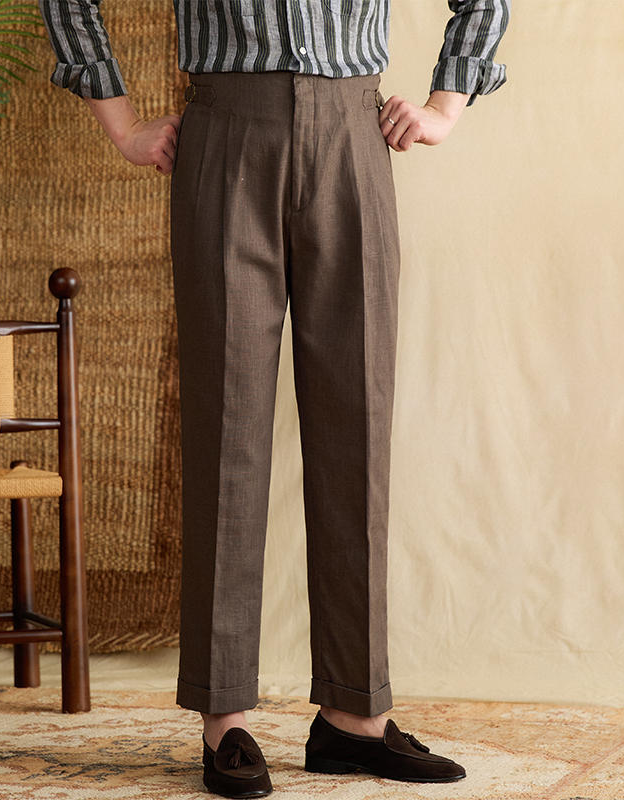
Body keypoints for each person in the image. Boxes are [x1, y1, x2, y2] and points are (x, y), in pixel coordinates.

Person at [38, 1, 509, 796]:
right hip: (226, 134)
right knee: (226, 430)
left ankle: (355, 716)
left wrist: (444, 106)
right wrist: (121, 125)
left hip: (354, 133)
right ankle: (223, 717)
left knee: (358, 428)